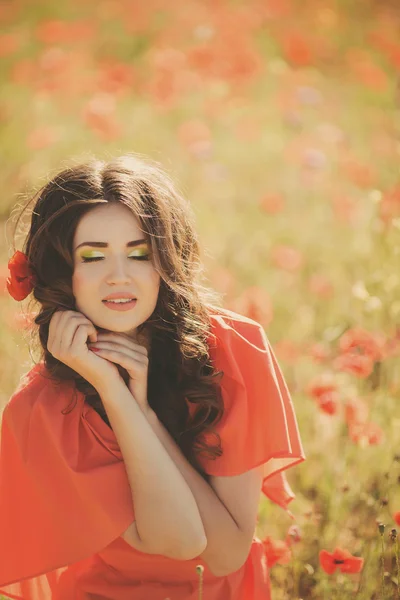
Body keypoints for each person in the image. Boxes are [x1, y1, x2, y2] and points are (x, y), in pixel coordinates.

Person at [0, 153, 306, 600]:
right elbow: (181, 540)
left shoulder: (234, 350)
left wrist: (143, 411)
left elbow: (223, 556)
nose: (119, 278)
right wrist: (114, 391)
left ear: (165, 260)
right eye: (93, 257)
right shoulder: (47, 409)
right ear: (63, 273)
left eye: (139, 254)